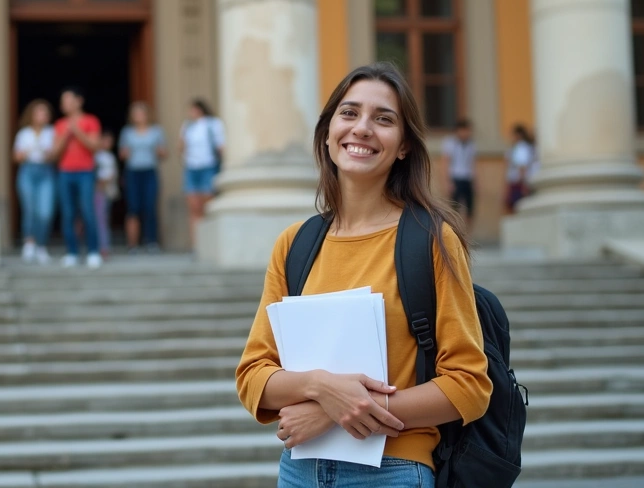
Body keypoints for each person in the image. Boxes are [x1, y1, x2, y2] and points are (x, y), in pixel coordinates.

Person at [235, 64, 490, 488]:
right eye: (349, 113)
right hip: (300, 472)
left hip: (393, 472)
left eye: (383, 119)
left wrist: (342, 409)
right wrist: (320, 387)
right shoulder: (294, 244)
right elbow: (253, 377)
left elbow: (468, 386)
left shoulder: (431, 240)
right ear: (329, 131)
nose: (363, 128)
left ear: (404, 145)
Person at [51, 87, 103, 269]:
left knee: (88, 212)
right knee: (68, 214)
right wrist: (66, 134)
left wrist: (77, 131)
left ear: (79, 101)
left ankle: (93, 252)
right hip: (65, 173)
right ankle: (72, 252)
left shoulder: (91, 121)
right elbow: (55, 153)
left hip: (85, 172)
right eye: (63, 101)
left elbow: (95, 146)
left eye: (68, 100)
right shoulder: (59, 125)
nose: (64, 104)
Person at [119, 101, 167, 253]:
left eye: (141, 113)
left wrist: (159, 151)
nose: (138, 116)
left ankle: (151, 241)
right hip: (133, 172)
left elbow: (164, 153)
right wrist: (125, 153)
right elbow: (122, 154)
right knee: (133, 207)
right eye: (135, 113)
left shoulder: (156, 131)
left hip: (149, 171)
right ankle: (132, 244)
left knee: (149, 206)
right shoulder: (127, 132)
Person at [13, 99, 56, 264]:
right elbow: (16, 157)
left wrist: (49, 154)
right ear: (31, 115)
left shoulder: (52, 132)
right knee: (30, 209)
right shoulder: (24, 134)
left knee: (45, 212)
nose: (43, 115)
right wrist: (26, 152)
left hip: (46, 172)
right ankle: (29, 244)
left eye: (45, 112)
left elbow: (55, 156)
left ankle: (41, 245)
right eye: (39, 112)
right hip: (28, 171)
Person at [179, 98, 224, 248]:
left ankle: (210, 243)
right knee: (193, 207)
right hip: (191, 167)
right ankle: (196, 245)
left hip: (208, 166)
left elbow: (220, 146)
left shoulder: (213, 124)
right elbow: (181, 147)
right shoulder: (187, 126)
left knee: (208, 205)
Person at [441, 119, 477, 229]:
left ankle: (467, 236)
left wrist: (475, 181)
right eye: (464, 130)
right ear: (458, 131)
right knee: (455, 209)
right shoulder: (450, 143)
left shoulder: (471, 145)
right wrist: (447, 182)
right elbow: (445, 163)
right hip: (456, 178)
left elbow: (473, 164)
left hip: (468, 178)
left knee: (470, 209)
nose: (467, 133)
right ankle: (456, 233)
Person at [94, 131, 119, 257]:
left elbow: (112, 175)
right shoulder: (94, 155)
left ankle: (104, 247)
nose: (107, 144)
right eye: (105, 140)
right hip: (94, 191)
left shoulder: (110, 157)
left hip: (105, 192)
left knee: (102, 219)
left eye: (110, 141)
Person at [505, 123, 535, 214]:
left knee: (517, 208)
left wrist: (523, 184)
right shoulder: (518, 148)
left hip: (518, 183)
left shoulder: (521, 147)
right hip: (517, 182)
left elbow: (522, 167)